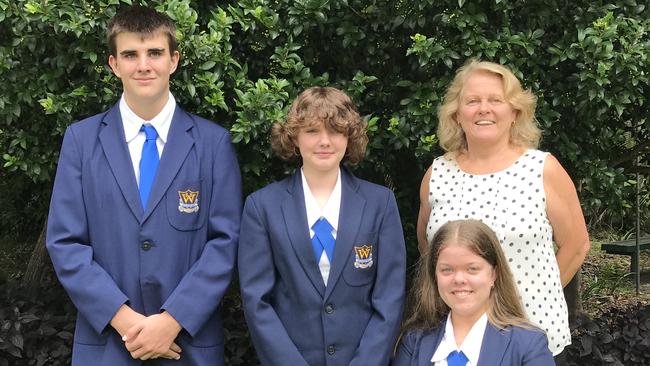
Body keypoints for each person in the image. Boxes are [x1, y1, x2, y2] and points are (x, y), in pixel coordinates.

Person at [45, 5, 242, 365]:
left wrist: (171, 321)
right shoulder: (82, 141)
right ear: (113, 64)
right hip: (107, 345)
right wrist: (126, 321)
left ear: (174, 60)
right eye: (130, 54)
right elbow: (65, 242)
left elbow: (224, 243)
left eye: (154, 53)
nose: (144, 65)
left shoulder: (214, 144)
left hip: (186, 346)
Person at [416, 59, 590, 358]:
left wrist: (529, 298)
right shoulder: (437, 174)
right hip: (458, 340)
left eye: (496, 100)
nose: (484, 108)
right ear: (457, 114)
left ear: (515, 113)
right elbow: (428, 247)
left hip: (532, 334)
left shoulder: (542, 168)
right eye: (472, 101)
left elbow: (576, 244)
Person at [238, 86, 406, 366]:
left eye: (336, 131)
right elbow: (257, 302)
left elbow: (390, 296)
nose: (324, 141)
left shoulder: (380, 203)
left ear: (350, 138)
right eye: (312, 131)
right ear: (294, 138)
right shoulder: (263, 207)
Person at [394, 219, 555, 366]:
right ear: (434, 276)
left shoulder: (529, 345)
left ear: (494, 275)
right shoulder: (414, 342)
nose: (459, 279)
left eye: (472, 269)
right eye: (447, 270)